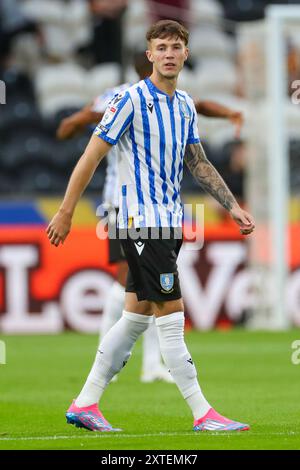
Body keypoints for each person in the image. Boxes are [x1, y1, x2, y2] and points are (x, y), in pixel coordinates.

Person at [47, 19, 255, 433]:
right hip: (138, 221)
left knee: (137, 316)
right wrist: (67, 211)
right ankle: (203, 412)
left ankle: (86, 402)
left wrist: (232, 206)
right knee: (172, 314)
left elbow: (197, 162)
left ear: (186, 53)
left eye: (176, 47)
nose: (169, 54)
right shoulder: (129, 100)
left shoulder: (184, 105)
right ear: (149, 55)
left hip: (169, 222)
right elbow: (90, 157)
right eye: (161, 47)